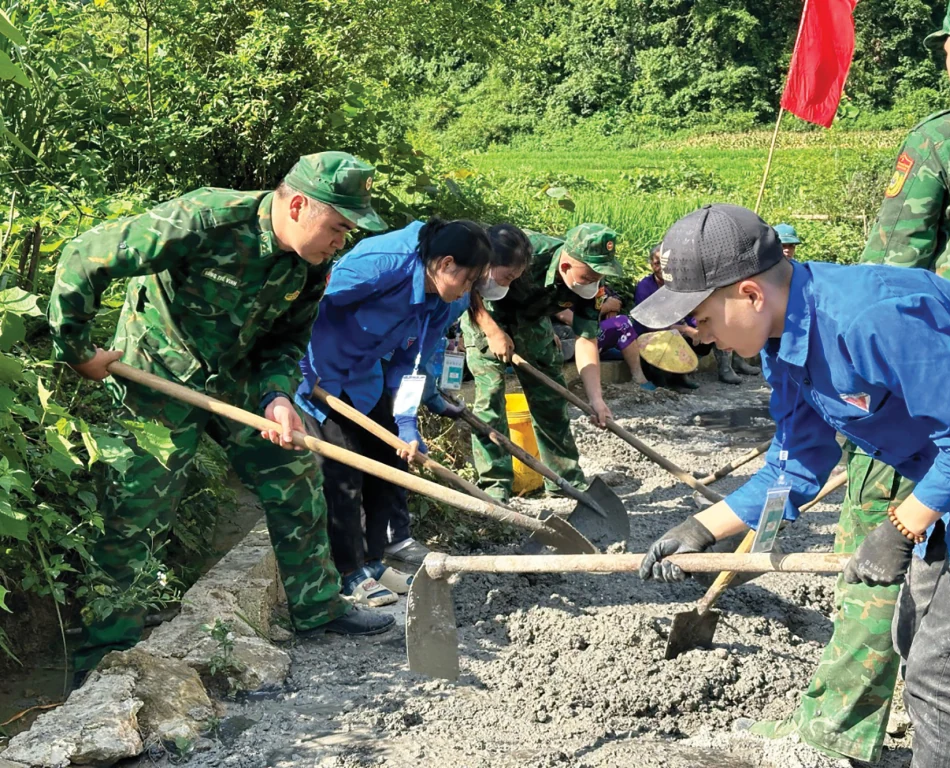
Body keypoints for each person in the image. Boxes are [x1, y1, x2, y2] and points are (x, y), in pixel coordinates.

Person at [635, 203, 950, 768]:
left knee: (940, 679)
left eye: (700, 317)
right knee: (914, 646)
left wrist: (899, 528)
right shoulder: (783, 346)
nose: (698, 335)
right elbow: (794, 463)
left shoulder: (869, 318)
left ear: (749, 293)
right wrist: (701, 528)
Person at [749, 1, 950, 760]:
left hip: (932, 400)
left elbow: (886, 284)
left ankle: (838, 729)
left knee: (881, 560)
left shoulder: (948, 140)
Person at [49, 152, 396, 676]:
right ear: (299, 205)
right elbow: (85, 256)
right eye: (338, 227)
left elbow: (285, 341)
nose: (340, 242)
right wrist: (77, 350)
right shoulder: (205, 220)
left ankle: (317, 606)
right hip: (158, 375)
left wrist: (278, 396)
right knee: (134, 511)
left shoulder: (311, 265)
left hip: (236, 379)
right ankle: (104, 658)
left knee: (295, 472)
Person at [294, 218, 492, 602]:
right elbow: (305, 305)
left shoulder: (440, 300)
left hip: (366, 376)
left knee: (389, 462)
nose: (469, 291)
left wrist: (406, 425)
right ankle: (349, 572)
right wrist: (298, 367)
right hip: (319, 375)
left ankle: (373, 562)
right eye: (468, 280)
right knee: (345, 471)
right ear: (447, 263)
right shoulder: (381, 264)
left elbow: (412, 365)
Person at [461, 223, 621, 504]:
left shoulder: (591, 287)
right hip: (487, 314)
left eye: (600, 275)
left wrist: (596, 399)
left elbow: (586, 339)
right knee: (490, 398)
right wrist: (491, 330)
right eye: (590, 274)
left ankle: (564, 480)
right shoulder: (522, 250)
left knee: (552, 400)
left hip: (533, 323)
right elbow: (469, 282)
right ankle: (495, 484)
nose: (595, 280)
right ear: (567, 264)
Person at [633, 244, 711, 390]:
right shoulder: (644, 287)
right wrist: (685, 329)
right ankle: (662, 381)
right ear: (651, 265)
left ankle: (682, 374)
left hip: (675, 331)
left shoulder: (679, 285)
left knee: (705, 335)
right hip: (650, 334)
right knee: (667, 338)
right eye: (657, 263)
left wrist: (697, 327)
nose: (662, 267)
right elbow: (651, 323)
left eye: (665, 263)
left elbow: (690, 312)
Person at [553, 284, 655, 390]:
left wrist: (613, 305)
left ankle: (606, 351)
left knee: (623, 332)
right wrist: (606, 307)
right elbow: (570, 319)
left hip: (590, 333)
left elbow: (613, 296)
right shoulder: (555, 289)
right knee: (622, 323)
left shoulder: (587, 284)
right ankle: (639, 379)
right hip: (572, 340)